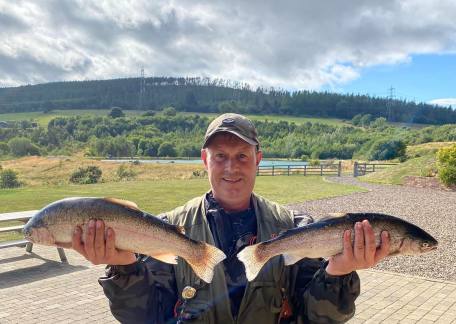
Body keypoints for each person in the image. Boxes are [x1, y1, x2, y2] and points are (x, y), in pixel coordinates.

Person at [72, 113, 390, 323]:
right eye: (220, 156)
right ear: (204, 160)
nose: (231, 168)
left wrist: (340, 272)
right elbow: (147, 318)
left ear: (258, 160)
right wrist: (124, 268)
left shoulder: (295, 229)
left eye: (242, 156)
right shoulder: (165, 230)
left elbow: (315, 319)